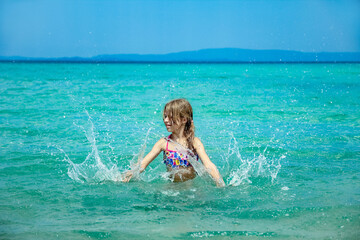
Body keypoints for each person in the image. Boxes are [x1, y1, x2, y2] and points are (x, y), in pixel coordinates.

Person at [122, 98, 225, 187]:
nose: (166, 120)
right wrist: (130, 174)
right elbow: (142, 165)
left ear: (184, 119)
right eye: (165, 116)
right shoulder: (163, 143)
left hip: (191, 188)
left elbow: (209, 165)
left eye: (170, 117)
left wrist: (220, 184)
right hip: (171, 187)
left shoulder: (194, 142)